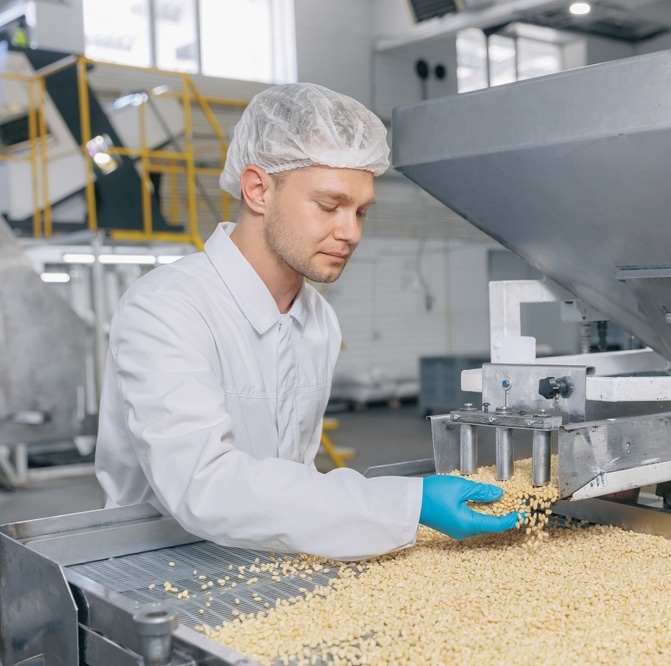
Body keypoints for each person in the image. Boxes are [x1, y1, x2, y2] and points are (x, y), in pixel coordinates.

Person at [94, 82, 519, 561]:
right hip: (163, 565)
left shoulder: (318, 319)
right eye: (328, 205)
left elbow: (293, 473)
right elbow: (203, 483)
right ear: (258, 189)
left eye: (360, 211)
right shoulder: (166, 309)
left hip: (274, 559)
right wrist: (409, 501)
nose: (351, 232)